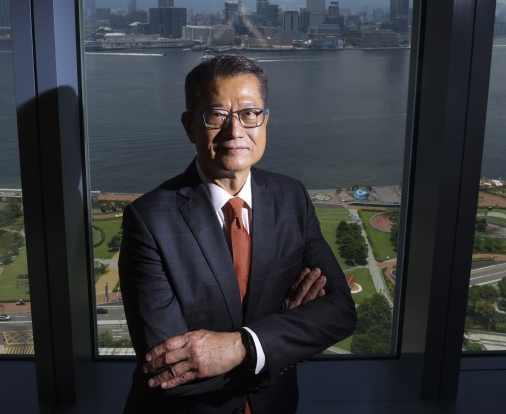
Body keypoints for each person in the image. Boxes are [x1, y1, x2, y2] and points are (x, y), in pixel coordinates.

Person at [119, 54, 357, 413]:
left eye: (249, 114)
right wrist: (283, 334)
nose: (236, 131)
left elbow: (340, 312)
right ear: (189, 126)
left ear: (264, 121)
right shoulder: (150, 220)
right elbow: (168, 371)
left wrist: (242, 347)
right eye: (216, 116)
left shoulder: (292, 198)